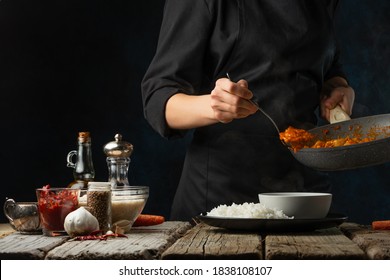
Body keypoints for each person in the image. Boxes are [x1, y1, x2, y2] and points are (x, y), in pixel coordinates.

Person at [141, 0, 355, 221]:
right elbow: (158, 99)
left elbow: (326, 62)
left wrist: (337, 86)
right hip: (223, 197)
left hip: (306, 193)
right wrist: (214, 106)